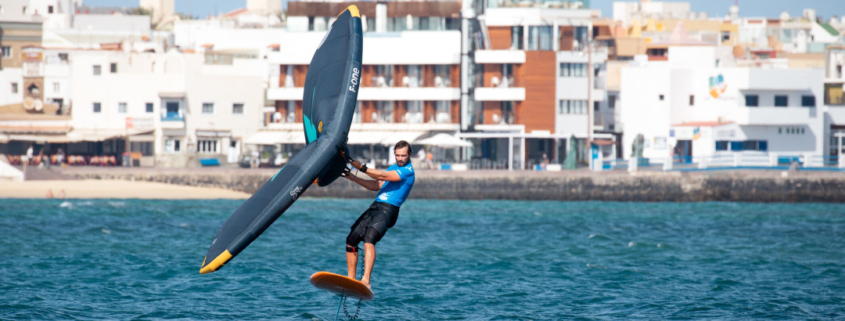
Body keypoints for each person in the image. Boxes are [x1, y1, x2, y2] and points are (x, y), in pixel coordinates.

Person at [343, 140, 416, 289]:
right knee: (351, 240)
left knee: (369, 239)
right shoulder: (393, 168)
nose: (400, 159)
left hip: (389, 210)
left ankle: (365, 281)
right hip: (375, 206)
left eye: (403, 155)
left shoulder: (408, 171)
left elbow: (382, 174)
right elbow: (375, 185)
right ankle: (351, 278)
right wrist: (352, 176)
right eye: (397, 155)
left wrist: (362, 167)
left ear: (409, 154)